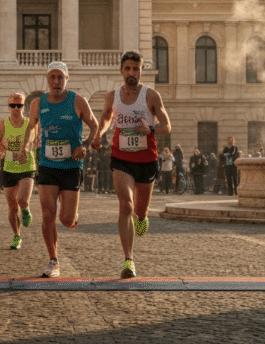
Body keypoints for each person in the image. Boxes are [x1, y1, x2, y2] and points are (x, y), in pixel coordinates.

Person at [93, 51, 172, 279]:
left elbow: (167, 125)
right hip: (122, 157)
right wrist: (100, 133)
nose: (131, 73)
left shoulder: (151, 96)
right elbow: (107, 117)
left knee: (139, 210)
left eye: (135, 69)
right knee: (125, 206)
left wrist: (152, 129)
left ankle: (142, 217)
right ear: (121, 70)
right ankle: (129, 260)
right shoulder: (112, 96)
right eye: (127, 68)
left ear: (141, 71)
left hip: (146, 159)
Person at [23, 61, 98, 278]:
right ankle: (53, 260)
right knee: (47, 214)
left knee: (65, 219)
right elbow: (30, 127)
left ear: (67, 78)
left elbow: (94, 125)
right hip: (47, 165)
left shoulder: (77, 101)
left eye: (60, 78)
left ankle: (73, 217)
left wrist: (84, 146)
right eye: (52, 77)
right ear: (47, 79)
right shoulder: (39, 103)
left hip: (71, 166)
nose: (56, 82)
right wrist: (24, 149)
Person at [0, 92, 36, 251]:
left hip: (26, 166)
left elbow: (34, 141)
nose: (16, 108)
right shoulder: (1, 125)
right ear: (8, 106)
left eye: (20, 105)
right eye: (13, 105)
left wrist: (27, 150)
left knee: (22, 201)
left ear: (24, 106)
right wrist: (0, 150)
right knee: (12, 207)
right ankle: (16, 235)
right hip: (9, 167)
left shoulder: (30, 124)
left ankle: (26, 210)